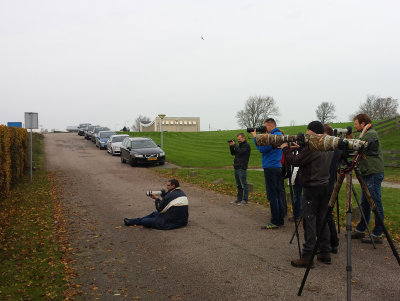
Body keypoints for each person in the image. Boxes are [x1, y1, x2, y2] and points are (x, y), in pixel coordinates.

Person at [281, 121, 334, 267]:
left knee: (309, 220)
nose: (306, 134)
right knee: (322, 219)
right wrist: (303, 146)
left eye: (308, 132)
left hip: (312, 187)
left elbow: (294, 161)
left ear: (311, 131)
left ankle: (307, 256)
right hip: (324, 185)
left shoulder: (312, 146)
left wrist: (285, 149)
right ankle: (325, 252)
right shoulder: (328, 144)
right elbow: (312, 157)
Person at [349, 114, 385, 244]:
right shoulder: (366, 134)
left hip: (373, 173)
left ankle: (378, 233)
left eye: (356, 124)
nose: (355, 126)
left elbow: (361, 146)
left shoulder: (371, 134)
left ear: (363, 124)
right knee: (365, 203)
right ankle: (361, 229)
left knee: (375, 202)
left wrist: (348, 142)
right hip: (368, 172)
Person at [251, 118, 285, 229]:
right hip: (277, 166)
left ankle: (275, 221)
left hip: (270, 167)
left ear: (270, 126)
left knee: (273, 195)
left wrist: (255, 137)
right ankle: (280, 219)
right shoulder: (279, 135)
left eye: (265, 126)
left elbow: (262, 149)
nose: (264, 128)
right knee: (278, 194)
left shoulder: (273, 136)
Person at [124, 179, 189, 230]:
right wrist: (163, 196)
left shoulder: (171, 194)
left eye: (168, 185)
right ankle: (133, 221)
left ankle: (135, 222)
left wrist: (156, 198)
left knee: (145, 221)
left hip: (172, 221)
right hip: (181, 219)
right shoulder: (180, 192)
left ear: (173, 186)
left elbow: (160, 208)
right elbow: (167, 204)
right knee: (154, 213)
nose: (167, 187)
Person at [323, 124, 341, 253]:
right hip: (329, 183)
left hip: (325, 183)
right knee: (327, 214)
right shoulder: (337, 148)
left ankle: (331, 242)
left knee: (326, 215)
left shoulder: (329, 148)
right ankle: (332, 242)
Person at [228, 133, 251, 205]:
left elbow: (240, 152)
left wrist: (235, 145)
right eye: (237, 139)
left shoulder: (246, 146)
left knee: (244, 184)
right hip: (237, 167)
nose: (238, 140)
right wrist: (231, 146)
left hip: (242, 167)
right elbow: (233, 153)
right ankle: (239, 199)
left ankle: (245, 200)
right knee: (238, 185)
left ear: (244, 138)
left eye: (239, 139)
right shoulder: (239, 146)